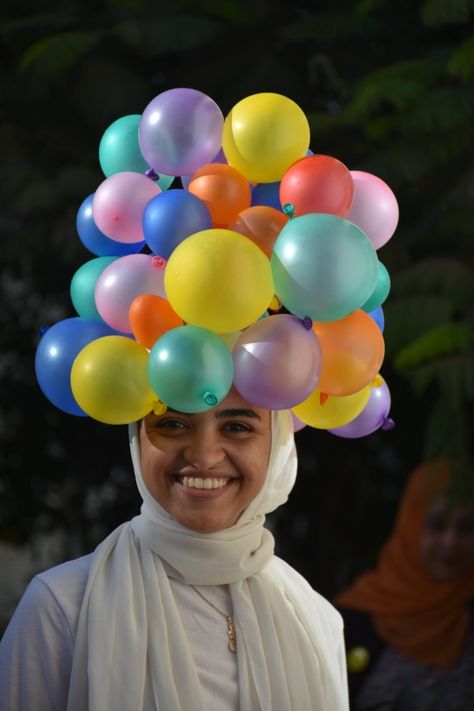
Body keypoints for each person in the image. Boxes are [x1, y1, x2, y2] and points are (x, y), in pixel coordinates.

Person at [0, 387, 349, 710]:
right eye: (173, 423)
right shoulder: (62, 606)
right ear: (137, 437)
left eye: (237, 427)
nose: (204, 456)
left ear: (278, 445)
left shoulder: (315, 620)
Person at [334, 460, 474, 710]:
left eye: (466, 528)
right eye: (436, 525)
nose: (450, 542)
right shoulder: (347, 621)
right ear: (410, 526)